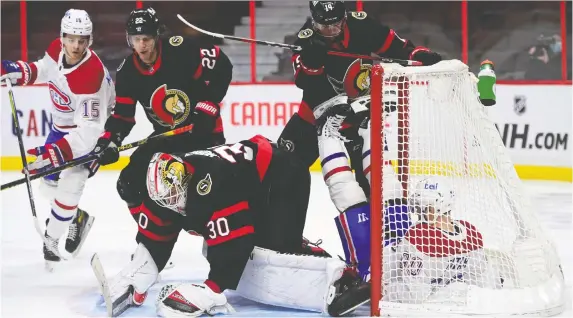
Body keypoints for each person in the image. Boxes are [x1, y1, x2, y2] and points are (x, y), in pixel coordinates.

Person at [97, 135, 370, 317]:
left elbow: (234, 240)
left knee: (272, 251)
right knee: (245, 249)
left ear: (186, 174)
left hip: (282, 174)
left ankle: (342, 278)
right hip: (249, 178)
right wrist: (138, 277)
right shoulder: (166, 185)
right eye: (168, 199)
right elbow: (158, 234)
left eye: (178, 192)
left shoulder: (208, 184)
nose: (175, 200)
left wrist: (212, 289)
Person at [278, 1, 442, 193]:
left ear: (345, 18)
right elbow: (303, 82)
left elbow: (397, 47)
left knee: (372, 186)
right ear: (314, 21)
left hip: (358, 120)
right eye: (324, 27)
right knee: (283, 171)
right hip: (314, 118)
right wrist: (312, 62)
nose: (331, 30)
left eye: (336, 24)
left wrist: (416, 54)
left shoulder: (362, 26)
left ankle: (373, 222)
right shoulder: (305, 40)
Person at [1, 9, 115, 270]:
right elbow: (45, 69)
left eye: (82, 39)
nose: (76, 46)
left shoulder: (91, 75)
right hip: (61, 127)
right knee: (46, 185)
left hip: (92, 134)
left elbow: (88, 132)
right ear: (62, 36)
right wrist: (21, 72)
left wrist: (56, 153)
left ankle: (51, 239)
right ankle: (76, 218)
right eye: (71, 38)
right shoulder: (57, 48)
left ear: (90, 40)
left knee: (71, 185)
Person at [92, 7, 233, 212]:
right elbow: (122, 116)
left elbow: (222, 65)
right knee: (128, 184)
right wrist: (109, 141)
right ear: (128, 39)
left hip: (203, 131)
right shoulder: (127, 72)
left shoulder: (181, 49)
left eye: (147, 38)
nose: (142, 45)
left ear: (157, 36)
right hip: (167, 136)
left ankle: (215, 239)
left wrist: (208, 104)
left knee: (208, 189)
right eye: (136, 39)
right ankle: (151, 237)